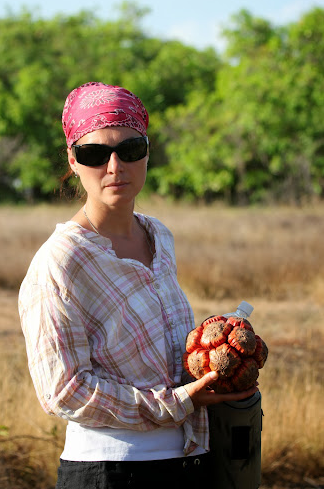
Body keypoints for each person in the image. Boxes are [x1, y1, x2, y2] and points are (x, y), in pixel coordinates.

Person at [19, 81, 258, 489]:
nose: (115, 167)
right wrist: (179, 402)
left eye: (129, 150)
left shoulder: (159, 236)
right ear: (73, 160)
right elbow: (63, 392)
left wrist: (219, 356)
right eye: (95, 153)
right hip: (113, 472)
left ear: (147, 151)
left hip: (191, 461)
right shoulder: (59, 262)